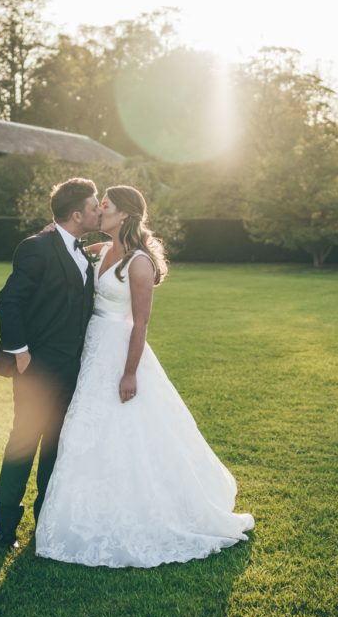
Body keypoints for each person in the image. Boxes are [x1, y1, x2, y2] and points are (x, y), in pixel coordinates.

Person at [34, 185, 254, 567]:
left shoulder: (138, 263)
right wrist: (54, 234)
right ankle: (82, 513)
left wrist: (130, 372)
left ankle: (142, 512)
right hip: (92, 349)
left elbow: (141, 323)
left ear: (125, 215)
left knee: (126, 432)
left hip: (120, 351)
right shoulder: (101, 251)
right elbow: (68, 254)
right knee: (85, 430)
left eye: (105, 206)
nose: (98, 211)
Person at [0, 177, 102, 549]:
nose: (99, 208)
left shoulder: (82, 251)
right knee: (24, 441)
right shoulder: (36, 248)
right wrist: (20, 354)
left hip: (74, 370)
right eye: (95, 203)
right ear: (76, 213)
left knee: (56, 446)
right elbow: (8, 302)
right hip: (36, 368)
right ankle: (5, 530)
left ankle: (45, 524)